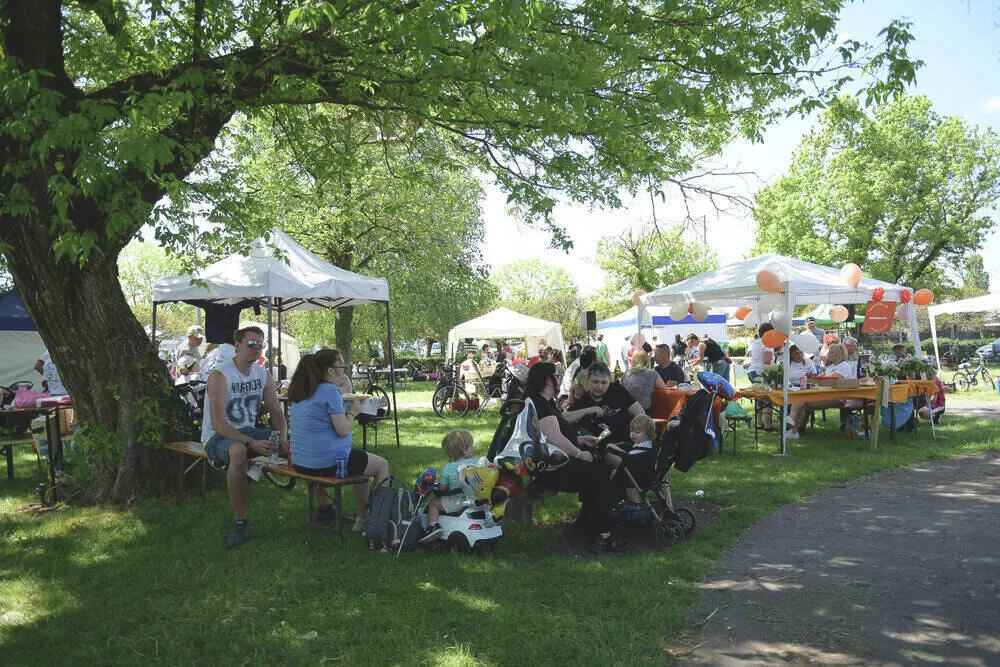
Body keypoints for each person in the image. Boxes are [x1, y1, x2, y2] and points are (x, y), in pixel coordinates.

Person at [521, 362, 624, 554]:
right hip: (550, 468)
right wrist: (579, 453)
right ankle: (603, 536)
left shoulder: (542, 402)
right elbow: (556, 440)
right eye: (557, 375)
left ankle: (585, 525)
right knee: (601, 476)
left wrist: (580, 440)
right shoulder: (539, 404)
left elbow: (551, 437)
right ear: (547, 380)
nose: (560, 378)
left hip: (551, 463)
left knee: (599, 470)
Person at [202, 326, 288, 549]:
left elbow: (275, 410)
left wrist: (283, 436)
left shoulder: (262, 373)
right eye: (251, 344)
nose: (256, 348)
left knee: (296, 445)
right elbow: (219, 423)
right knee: (239, 452)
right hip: (218, 435)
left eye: (260, 344)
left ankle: (325, 506)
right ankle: (240, 522)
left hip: (248, 430)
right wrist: (251, 443)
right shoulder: (220, 375)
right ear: (237, 345)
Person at [288, 349, 389, 532]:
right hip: (327, 463)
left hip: (301, 462)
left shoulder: (302, 390)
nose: (345, 371)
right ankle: (377, 520)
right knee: (381, 465)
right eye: (342, 367)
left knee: (361, 464)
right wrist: (353, 412)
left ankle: (332, 512)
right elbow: (343, 430)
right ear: (330, 370)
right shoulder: (328, 390)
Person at [419, 429, 478, 543]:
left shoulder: (448, 468)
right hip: (475, 498)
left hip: (457, 501)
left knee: (433, 503)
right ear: (464, 450)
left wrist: (436, 487)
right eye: (471, 446)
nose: (473, 448)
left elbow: (442, 488)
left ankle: (434, 526)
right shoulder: (477, 463)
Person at [563, 362, 644, 443]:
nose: (599, 386)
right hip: (601, 444)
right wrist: (588, 410)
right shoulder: (585, 399)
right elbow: (564, 418)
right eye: (595, 382)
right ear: (588, 381)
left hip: (626, 442)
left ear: (609, 382)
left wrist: (637, 434)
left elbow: (640, 413)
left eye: (604, 382)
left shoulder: (617, 390)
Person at [787, 343, 856, 438]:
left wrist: (818, 379)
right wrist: (812, 377)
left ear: (838, 354)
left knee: (801, 400)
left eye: (831, 352)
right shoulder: (832, 366)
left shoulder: (844, 366)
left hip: (837, 397)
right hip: (825, 395)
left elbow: (833, 379)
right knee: (800, 399)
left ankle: (792, 425)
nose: (828, 354)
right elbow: (819, 378)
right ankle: (794, 429)